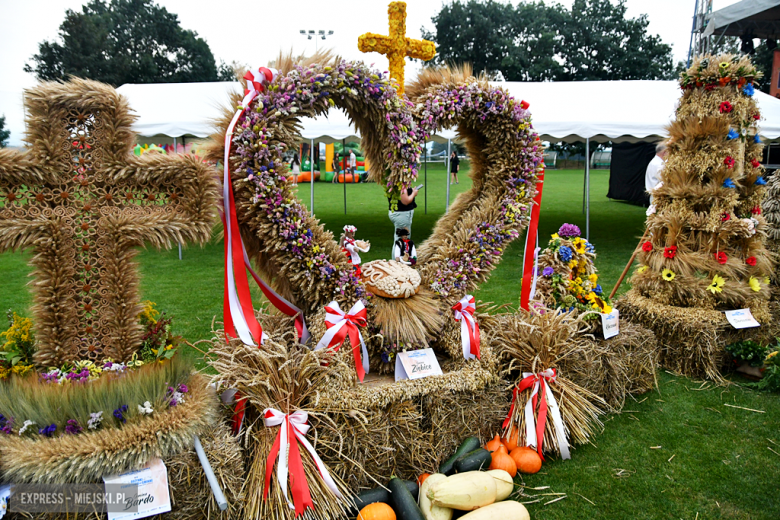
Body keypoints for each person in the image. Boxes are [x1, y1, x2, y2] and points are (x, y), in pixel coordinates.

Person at [388, 185, 420, 254]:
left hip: (398, 213)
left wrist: (410, 190)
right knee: (401, 241)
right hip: (402, 215)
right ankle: (398, 262)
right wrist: (413, 193)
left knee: (399, 240)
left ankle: (397, 262)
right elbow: (405, 201)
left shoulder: (394, 181)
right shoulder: (401, 183)